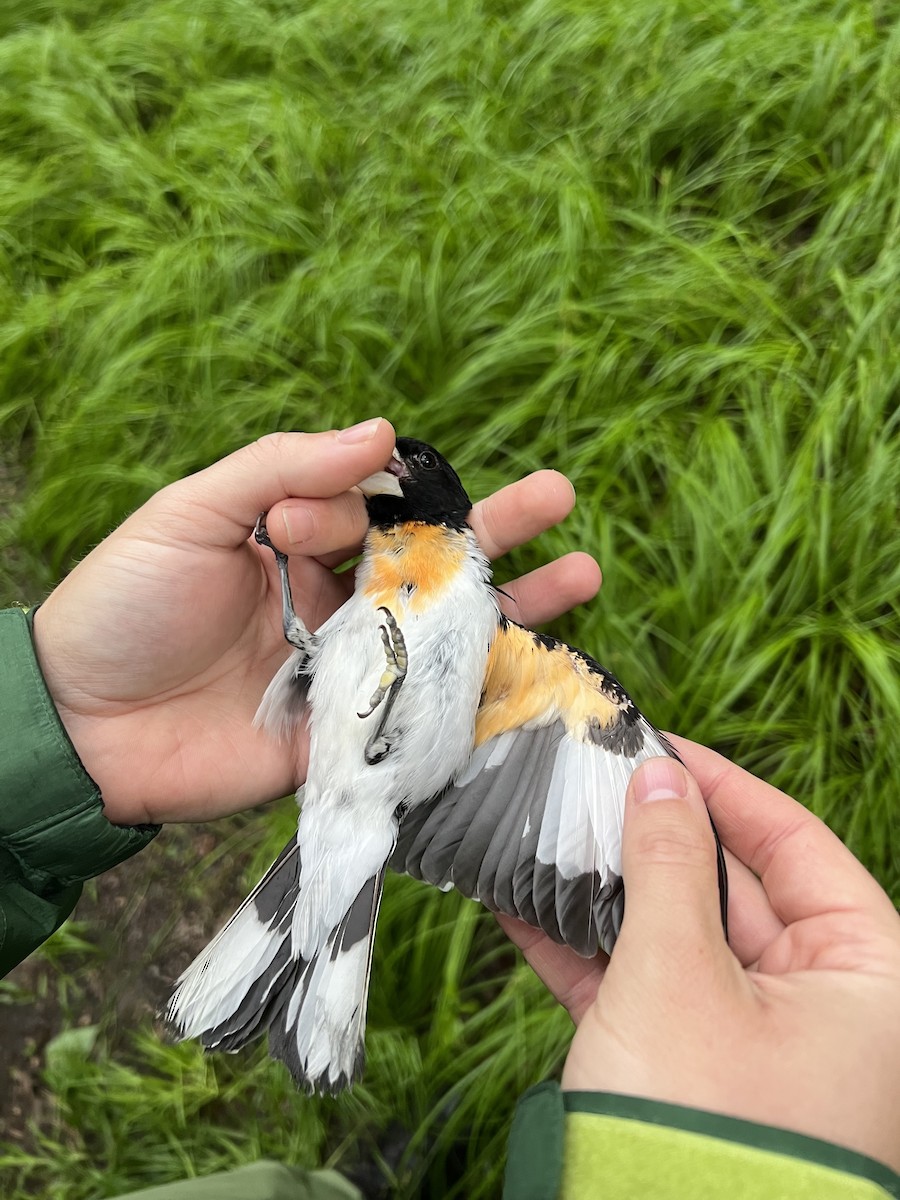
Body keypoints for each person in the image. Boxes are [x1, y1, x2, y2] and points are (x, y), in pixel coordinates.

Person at [1, 419, 897, 1199]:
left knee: (606, 715)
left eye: (405, 465)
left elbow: (591, 766)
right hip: (341, 780)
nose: (386, 479)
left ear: (437, 491)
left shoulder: (502, 642)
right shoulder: (375, 574)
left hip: (386, 790)